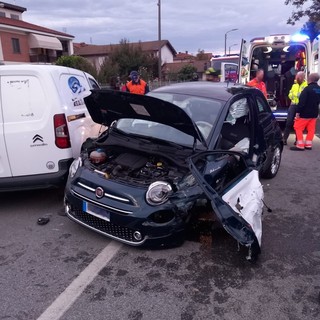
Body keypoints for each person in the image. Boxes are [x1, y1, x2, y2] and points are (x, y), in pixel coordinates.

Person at [290, 73, 320, 151]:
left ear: (309, 79)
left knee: (298, 127)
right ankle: (308, 144)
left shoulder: (306, 89)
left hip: (305, 113)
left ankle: (300, 145)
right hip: (314, 113)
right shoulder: (319, 89)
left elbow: (302, 102)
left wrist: (298, 112)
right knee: (311, 129)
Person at [282, 71, 307, 145]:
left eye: (298, 77)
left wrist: (295, 95)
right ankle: (284, 139)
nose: (296, 78)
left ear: (302, 77)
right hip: (292, 105)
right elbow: (290, 94)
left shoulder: (306, 86)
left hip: (300, 106)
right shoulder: (294, 85)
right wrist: (295, 95)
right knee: (288, 122)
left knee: (298, 125)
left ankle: (297, 140)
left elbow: (302, 96)